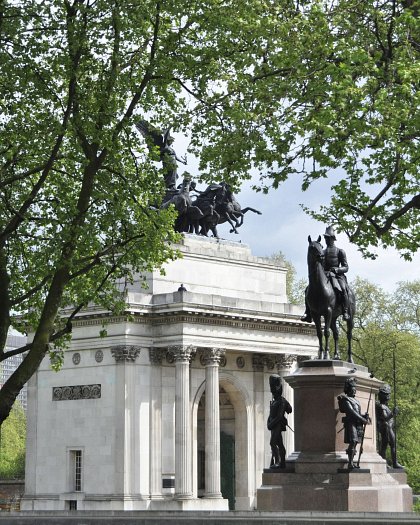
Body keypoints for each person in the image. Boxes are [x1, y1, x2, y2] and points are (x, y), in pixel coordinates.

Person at [301, 225, 351, 323]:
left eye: (328, 237)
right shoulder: (322, 252)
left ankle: (345, 311)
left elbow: (346, 267)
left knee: (343, 289)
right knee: (308, 289)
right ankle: (308, 313)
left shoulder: (340, 251)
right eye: (325, 238)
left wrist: (336, 270)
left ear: (333, 238)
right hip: (325, 275)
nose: (326, 239)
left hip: (337, 276)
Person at [337, 378, 370, 469]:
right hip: (351, 423)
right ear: (348, 389)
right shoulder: (345, 400)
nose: (354, 390)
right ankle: (350, 463)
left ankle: (352, 462)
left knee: (355, 442)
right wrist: (362, 419)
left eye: (355, 388)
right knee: (353, 441)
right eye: (353, 388)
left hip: (357, 424)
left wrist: (364, 416)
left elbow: (357, 413)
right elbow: (351, 412)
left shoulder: (356, 400)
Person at [267, 375, 292, 469]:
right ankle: (282, 462)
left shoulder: (282, 401)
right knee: (280, 443)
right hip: (273, 425)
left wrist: (270, 424)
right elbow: (271, 414)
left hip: (277, 424)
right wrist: (269, 422)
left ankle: (278, 461)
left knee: (273, 443)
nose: (272, 391)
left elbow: (279, 416)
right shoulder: (274, 401)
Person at [376, 384, 403, 469]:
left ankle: (395, 463)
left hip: (389, 427)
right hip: (385, 427)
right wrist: (393, 413)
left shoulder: (386, 406)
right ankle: (384, 462)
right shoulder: (381, 406)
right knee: (385, 445)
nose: (388, 396)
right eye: (387, 394)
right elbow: (385, 418)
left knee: (393, 444)